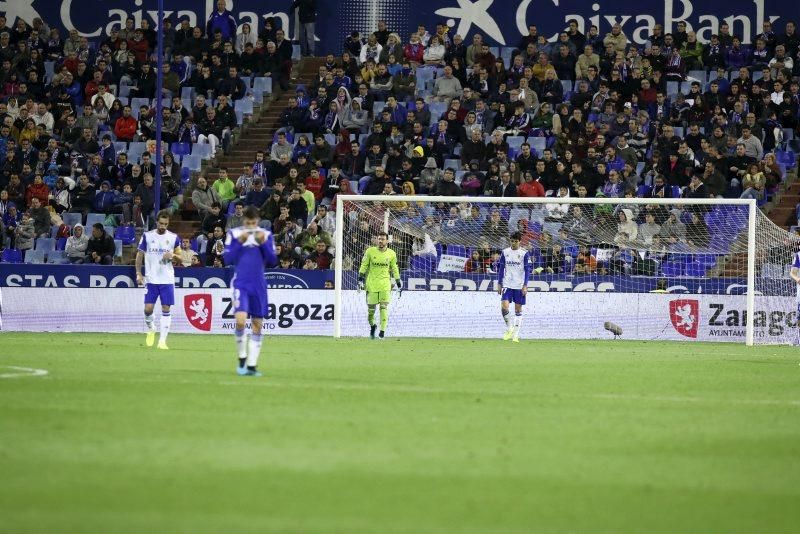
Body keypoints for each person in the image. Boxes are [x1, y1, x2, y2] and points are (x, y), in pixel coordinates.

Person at [222, 206, 278, 376]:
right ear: (243, 221)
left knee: (257, 324)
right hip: (241, 283)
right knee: (240, 321)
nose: (251, 226)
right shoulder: (234, 234)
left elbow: (273, 260)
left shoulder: (266, 235)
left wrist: (263, 245)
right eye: (248, 223)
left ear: (258, 221)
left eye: (253, 223)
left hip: (259, 285)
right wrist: (240, 242)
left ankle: (252, 366)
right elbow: (227, 259)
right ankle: (242, 358)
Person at [135, 210, 182, 350]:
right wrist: (138, 273)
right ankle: (151, 328)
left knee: (166, 308)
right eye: (161, 223)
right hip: (151, 279)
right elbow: (139, 255)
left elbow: (181, 258)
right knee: (148, 309)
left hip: (167, 279)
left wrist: (172, 255)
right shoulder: (147, 236)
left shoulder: (173, 238)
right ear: (156, 222)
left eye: (166, 224)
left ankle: (162, 341)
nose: (163, 226)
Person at [358, 231, 401, 339]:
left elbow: (395, 268)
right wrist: (360, 278)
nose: (380, 241)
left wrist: (398, 281)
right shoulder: (370, 251)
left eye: (382, 239)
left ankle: (382, 332)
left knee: (383, 307)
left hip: (385, 284)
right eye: (379, 239)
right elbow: (364, 265)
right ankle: (373, 326)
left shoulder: (391, 253)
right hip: (371, 284)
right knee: (371, 312)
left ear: (387, 241)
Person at [497, 231, 531, 343]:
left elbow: (527, 270)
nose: (514, 243)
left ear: (519, 241)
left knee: (518, 309)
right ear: (510, 241)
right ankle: (510, 328)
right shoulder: (505, 252)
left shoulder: (524, 253)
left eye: (516, 241)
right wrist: (499, 283)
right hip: (507, 284)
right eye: (512, 241)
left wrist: (525, 285)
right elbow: (501, 269)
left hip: (519, 285)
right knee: (504, 306)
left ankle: (515, 335)